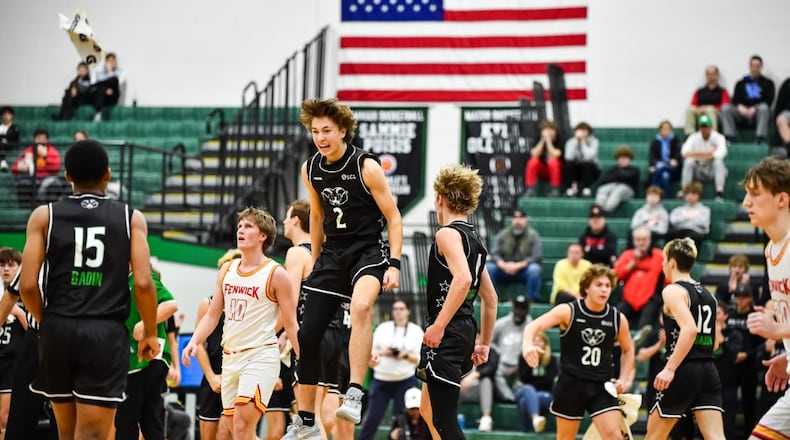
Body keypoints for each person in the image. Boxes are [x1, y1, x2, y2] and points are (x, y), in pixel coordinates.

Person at [18, 139, 160, 440]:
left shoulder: (43, 216)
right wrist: (149, 332)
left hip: (58, 328)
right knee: (95, 434)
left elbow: (28, 285)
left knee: (66, 432)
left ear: (67, 175)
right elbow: (145, 284)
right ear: (107, 174)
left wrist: (49, 321)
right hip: (103, 332)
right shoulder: (131, 218)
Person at [285, 98, 403, 434]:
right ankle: (305, 419)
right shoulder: (310, 169)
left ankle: (353, 392)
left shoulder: (366, 166)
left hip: (367, 251)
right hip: (332, 254)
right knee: (307, 334)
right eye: (315, 131)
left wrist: (393, 263)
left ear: (342, 131)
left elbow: (393, 218)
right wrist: (316, 258)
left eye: (326, 131)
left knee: (363, 306)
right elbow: (319, 217)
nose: (320, 137)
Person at [183, 207, 301, 440]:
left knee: (240, 427)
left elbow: (291, 323)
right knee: (236, 433)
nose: (240, 230)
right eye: (239, 226)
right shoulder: (227, 270)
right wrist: (195, 341)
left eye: (248, 226)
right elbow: (212, 315)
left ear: (263, 236)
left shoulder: (276, 274)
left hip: (259, 357)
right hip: (230, 358)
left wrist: (303, 359)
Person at [416, 164, 498, 439]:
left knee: (443, 420)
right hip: (463, 329)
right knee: (427, 411)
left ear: (440, 197)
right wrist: (484, 342)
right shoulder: (475, 240)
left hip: (448, 331)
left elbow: (462, 279)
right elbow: (491, 298)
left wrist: (439, 326)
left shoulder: (447, 234)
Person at [522, 264, 635, 440]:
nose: (604, 289)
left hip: (601, 385)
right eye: (599, 285)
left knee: (615, 436)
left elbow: (628, 350)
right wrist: (527, 346)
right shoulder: (568, 311)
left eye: (607, 285)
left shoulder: (617, 318)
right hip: (571, 384)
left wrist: (624, 378)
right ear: (587, 287)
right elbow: (533, 326)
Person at [282, 199, 355, 440]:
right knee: (323, 417)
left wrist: (282, 335)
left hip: (312, 333)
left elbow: (289, 301)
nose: (283, 221)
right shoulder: (327, 255)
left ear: (296, 220)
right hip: (335, 335)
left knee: (308, 418)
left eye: (286, 216)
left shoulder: (296, 253)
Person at [645, 238, 725, 440]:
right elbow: (714, 342)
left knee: (654, 436)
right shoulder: (709, 294)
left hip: (683, 368)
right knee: (716, 437)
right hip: (708, 369)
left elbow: (689, 329)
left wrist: (670, 368)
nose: (662, 265)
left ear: (672, 262)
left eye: (663, 260)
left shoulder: (672, 290)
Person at [741, 157, 790, 438]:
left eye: (756, 194)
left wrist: (776, 330)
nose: (747, 202)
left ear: (782, 199)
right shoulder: (772, 249)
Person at [114, 266, 179, 440]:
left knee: (127, 420)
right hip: (136, 359)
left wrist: (144, 325)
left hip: (145, 358)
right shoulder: (118, 281)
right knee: (150, 421)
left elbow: (171, 304)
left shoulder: (141, 276)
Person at [359, 300, 423, 440]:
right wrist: (384, 352)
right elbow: (371, 351)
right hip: (382, 380)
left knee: (401, 421)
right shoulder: (383, 328)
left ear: (408, 311)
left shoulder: (416, 331)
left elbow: (419, 359)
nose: (398, 311)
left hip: (405, 380)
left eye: (401, 308)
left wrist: (405, 355)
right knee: (372, 418)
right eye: (395, 309)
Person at [195, 249, 240, 440]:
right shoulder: (208, 303)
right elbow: (198, 344)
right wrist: (211, 376)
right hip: (213, 377)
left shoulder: (249, 305)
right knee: (208, 435)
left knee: (225, 433)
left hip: (237, 376)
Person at [726, 284, 763, 436]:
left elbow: (761, 344)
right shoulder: (730, 315)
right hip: (731, 365)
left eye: (743, 297)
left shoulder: (754, 317)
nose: (740, 300)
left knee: (749, 404)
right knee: (729, 403)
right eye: (738, 297)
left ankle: (750, 434)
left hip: (749, 366)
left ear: (750, 299)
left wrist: (747, 355)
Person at [485, 208, 543, 301]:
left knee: (535, 270)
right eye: (515, 217)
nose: (518, 220)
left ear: (526, 219)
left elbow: (536, 256)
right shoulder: (502, 234)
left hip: (523, 270)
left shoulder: (533, 235)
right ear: (512, 220)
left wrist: (518, 265)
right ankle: (492, 298)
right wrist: (504, 265)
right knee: (488, 268)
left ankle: (532, 299)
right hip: (504, 269)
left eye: (521, 217)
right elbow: (495, 254)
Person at [614, 227, 665, 333]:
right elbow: (616, 276)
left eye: (644, 239)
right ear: (633, 241)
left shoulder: (659, 256)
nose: (641, 243)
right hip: (629, 300)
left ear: (650, 240)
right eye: (638, 240)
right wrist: (633, 263)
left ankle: (641, 345)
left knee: (644, 324)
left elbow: (668, 278)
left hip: (650, 299)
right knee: (614, 316)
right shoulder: (627, 255)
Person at [720, 55, 775, 144]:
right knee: (725, 108)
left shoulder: (768, 83)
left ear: (761, 67)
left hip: (758, 113)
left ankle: (760, 138)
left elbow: (769, 100)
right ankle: (729, 137)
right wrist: (740, 107)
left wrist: (755, 108)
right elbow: (735, 100)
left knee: (764, 108)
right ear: (749, 66)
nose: (755, 68)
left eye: (757, 66)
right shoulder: (741, 83)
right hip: (742, 113)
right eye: (753, 66)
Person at [0, 248, 25, 439]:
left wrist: (16, 311)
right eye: (2, 265)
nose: (6, 269)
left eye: (11, 265)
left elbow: (33, 329)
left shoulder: (26, 294)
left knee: (5, 418)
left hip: (13, 362)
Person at [514, 332, 557, 433]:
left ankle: (527, 428)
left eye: (540, 341)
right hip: (524, 391)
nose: (536, 343)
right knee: (528, 389)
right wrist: (531, 360)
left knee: (525, 401)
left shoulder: (551, 360)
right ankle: (536, 420)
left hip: (544, 393)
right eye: (534, 341)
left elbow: (549, 381)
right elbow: (522, 378)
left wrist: (530, 384)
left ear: (545, 344)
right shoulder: (523, 357)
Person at [10, 129, 63, 209]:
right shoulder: (29, 151)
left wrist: (45, 156)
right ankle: (25, 211)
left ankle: (51, 211)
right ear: (34, 140)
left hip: (48, 180)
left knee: (54, 186)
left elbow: (56, 167)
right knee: (23, 184)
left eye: (43, 138)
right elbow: (14, 168)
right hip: (31, 180)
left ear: (47, 140)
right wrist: (24, 166)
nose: (40, 141)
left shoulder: (52, 151)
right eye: (38, 138)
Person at [680, 114, 728, 201]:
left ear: (711, 127)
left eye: (706, 126)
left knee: (718, 162)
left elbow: (720, 154)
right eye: (702, 126)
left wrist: (695, 154)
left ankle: (719, 193)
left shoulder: (719, 137)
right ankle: (684, 191)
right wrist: (706, 153)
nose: (704, 129)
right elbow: (684, 153)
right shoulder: (693, 137)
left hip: (711, 168)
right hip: (698, 168)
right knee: (688, 162)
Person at [713, 300, 741, 440]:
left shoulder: (734, 334)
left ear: (725, 315)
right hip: (709, 385)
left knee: (727, 423)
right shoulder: (705, 334)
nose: (715, 316)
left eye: (718, 313)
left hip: (728, 385)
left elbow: (733, 357)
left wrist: (721, 338)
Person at [685, 65, 731, 135]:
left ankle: (713, 135)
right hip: (700, 113)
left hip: (715, 114)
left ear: (717, 75)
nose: (711, 76)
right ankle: (689, 135)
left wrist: (710, 108)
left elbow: (725, 106)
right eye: (708, 74)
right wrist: (699, 109)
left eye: (713, 74)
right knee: (690, 110)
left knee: (710, 110)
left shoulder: (723, 91)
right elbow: (693, 104)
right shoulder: (699, 91)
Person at [594, 145, 640, 213]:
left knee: (620, 189)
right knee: (603, 189)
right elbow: (604, 180)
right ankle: (598, 207)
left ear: (630, 159)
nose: (623, 160)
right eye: (621, 158)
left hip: (627, 191)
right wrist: (620, 178)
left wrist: (617, 177)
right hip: (612, 187)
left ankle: (607, 209)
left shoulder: (634, 170)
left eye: (626, 158)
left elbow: (629, 177)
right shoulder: (612, 169)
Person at [665, 182, 710, 249]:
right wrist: (691, 217)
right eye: (688, 194)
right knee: (669, 234)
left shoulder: (705, 210)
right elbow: (673, 221)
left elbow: (703, 224)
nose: (690, 196)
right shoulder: (678, 210)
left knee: (691, 238)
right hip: (680, 231)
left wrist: (685, 217)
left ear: (699, 195)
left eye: (693, 194)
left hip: (695, 232)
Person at [525, 120, 563, 197]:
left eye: (550, 129)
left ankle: (555, 189)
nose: (548, 132)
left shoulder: (559, 140)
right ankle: (530, 189)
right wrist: (542, 141)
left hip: (556, 170)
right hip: (543, 170)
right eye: (545, 129)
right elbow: (534, 154)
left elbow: (556, 155)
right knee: (533, 161)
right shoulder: (538, 139)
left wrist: (549, 142)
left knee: (553, 162)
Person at [563, 121, 600, 198]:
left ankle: (587, 189)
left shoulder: (594, 141)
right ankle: (571, 188)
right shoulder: (571, 141)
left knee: (587, 164)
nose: (582, 133)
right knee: (569, 164)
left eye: (584, 130)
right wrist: (576, 142)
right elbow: (568, 157)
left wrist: (583, 142)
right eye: (580, 130)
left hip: (591, 169)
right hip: (576, 169)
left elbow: (589, 157)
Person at [648, 121, 682, 197]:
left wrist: (674, 161)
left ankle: (653, 194)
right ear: (660, 130)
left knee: (661, 169)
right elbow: (652, 157)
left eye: (668, 129)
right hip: (660, 166)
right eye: (663, 129)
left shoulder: (676, 141)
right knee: (664, 175)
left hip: (673, 169)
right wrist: (653, 165)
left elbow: (678, 157)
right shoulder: (655, 142)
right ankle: (666, 197)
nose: (666, 131)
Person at [90, 52, 125, 122]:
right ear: (105, 62)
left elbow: (118, 84)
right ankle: (98, 113)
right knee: (101, 88)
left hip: (112, 96)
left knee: (114, 79)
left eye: (113, 61)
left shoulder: (121, 72)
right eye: (109, 60)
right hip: (99, 95)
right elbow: (92, 84)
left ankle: (98, 112)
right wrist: (105, 89)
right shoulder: (98, 71)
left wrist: (110, 71)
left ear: (116, 62)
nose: (111, 62)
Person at [0, 106, 21, 171]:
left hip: (11, 146)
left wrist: (6, 140)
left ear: (12, 116)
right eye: (4, 114)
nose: (6, 116)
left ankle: (3, 162)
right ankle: (3, 162)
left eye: (8, 114)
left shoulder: (15, 128)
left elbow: (15, 138)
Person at [776, 77, 790, 152]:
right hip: (788, 113)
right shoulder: (787, 83)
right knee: (781, 119)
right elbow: (780, 101)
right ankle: (789, 145)